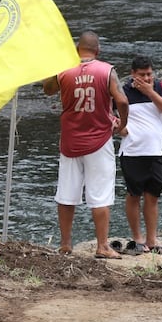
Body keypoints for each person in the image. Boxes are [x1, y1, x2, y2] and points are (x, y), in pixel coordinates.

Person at [42, 30, 129, 259]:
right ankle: (102, 246)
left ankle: (65, 244)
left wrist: (58, 64)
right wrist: (122, 124)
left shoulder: (64, 71)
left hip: (70, 141)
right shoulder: (106, 70)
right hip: (99, 140)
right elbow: (121, 100)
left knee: (66, 194)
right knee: (100, 195)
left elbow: (48, 89)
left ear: (77, 49)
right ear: (97, 50)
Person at [118, 56, 162, 257]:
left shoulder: (159, 87)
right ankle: (137, 238)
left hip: (155, 151)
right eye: (142, 75)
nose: (147, 77)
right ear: (133, 74)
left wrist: (150, 91)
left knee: (153, 196)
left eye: (149, 74)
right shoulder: (123, 91)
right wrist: (119, 127)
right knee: (134, 194)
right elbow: (109, 115)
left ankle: (152, 240)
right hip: (132, 151)